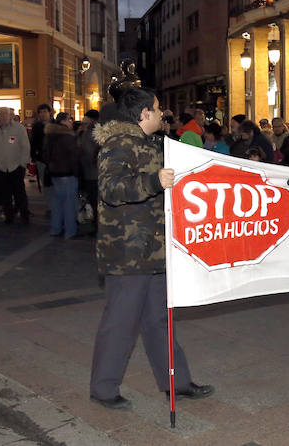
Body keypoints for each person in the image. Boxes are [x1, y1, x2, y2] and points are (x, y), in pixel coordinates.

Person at [89, 86, 213, 409]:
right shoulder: (118, 145)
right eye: (158, 109)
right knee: (121, 321)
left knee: (160, 320)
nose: (162, 114)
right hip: (127, 252)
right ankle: (103, 388)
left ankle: (177, 381)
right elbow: (111, 189)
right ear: (144, 114)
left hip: (154, 249)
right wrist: (154, 181)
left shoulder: (148, 144)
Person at [0, 106, 31, 224]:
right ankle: (8, 215)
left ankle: (24, 215)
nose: (3, 117)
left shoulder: (19, 128)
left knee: (19, 193)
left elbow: (25, 147)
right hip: (0, 167)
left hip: (16, 166)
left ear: (10, 115)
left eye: (6, 114)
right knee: (5, 194)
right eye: (1, 115)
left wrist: (22, 164)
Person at [43, 112, 80, 238]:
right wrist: (77, 173)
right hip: (68, 173)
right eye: (70, 120)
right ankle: (70, 231)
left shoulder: (49, 135)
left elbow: (45, 155)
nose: (71, 123)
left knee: (57, 203)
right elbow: (74, 157)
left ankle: (55, 228)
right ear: (64, 121)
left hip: (54, 173)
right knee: (70, 204)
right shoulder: (68, 136)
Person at [77, 109, 101, 232]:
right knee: (94, 200)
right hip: (91, 172)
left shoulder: (91, 133)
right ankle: (96, 225)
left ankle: (97, 226)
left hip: (92, 172)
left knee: (94, 200)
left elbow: (85, 150)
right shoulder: (90, 132)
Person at [30, 104, 53, 192]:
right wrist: (33, 156)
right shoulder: (36, 126)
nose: (43, 114)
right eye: (40, 112)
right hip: (41, 158)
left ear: (49, 112)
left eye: (45, 112)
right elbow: (33, 141)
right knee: (45, 183)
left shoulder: (55, 124)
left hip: (54, 159)